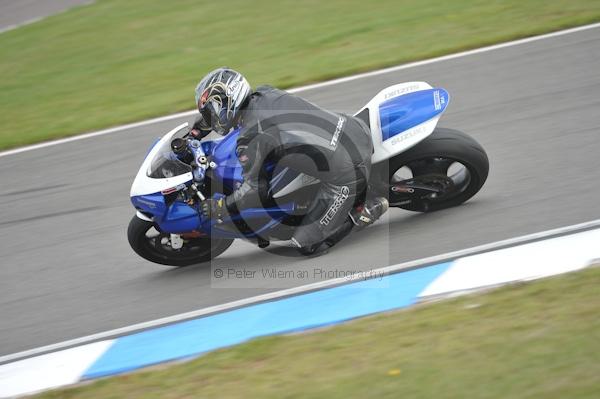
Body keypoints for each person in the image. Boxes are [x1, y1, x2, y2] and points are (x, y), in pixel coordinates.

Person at [191, 67, 388, 255]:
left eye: (212, 111)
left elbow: (255, 190)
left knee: (306, 243)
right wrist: (196, 132)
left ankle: (366, 211)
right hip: (352, 127)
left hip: (349, 171)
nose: (212, 117)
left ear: (228, 102)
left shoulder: (251, 138)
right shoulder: (264, 93)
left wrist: (220, 207)